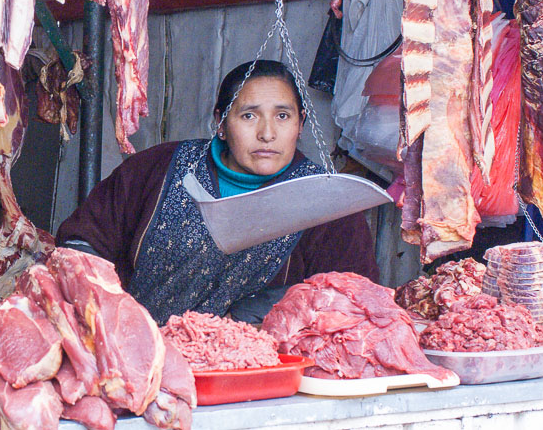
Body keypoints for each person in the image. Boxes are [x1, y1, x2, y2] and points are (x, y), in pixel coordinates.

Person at [56, 59, 378, 324]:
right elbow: (81, 242)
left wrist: (261, 311)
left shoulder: (329, 202)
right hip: (139, 359)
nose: (267, 133)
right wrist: (112, 311)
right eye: (249, 115)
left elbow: (354, 301)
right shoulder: (157, 168)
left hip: (261, 377)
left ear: (301, 123)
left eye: (283, 115)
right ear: (221, 124)